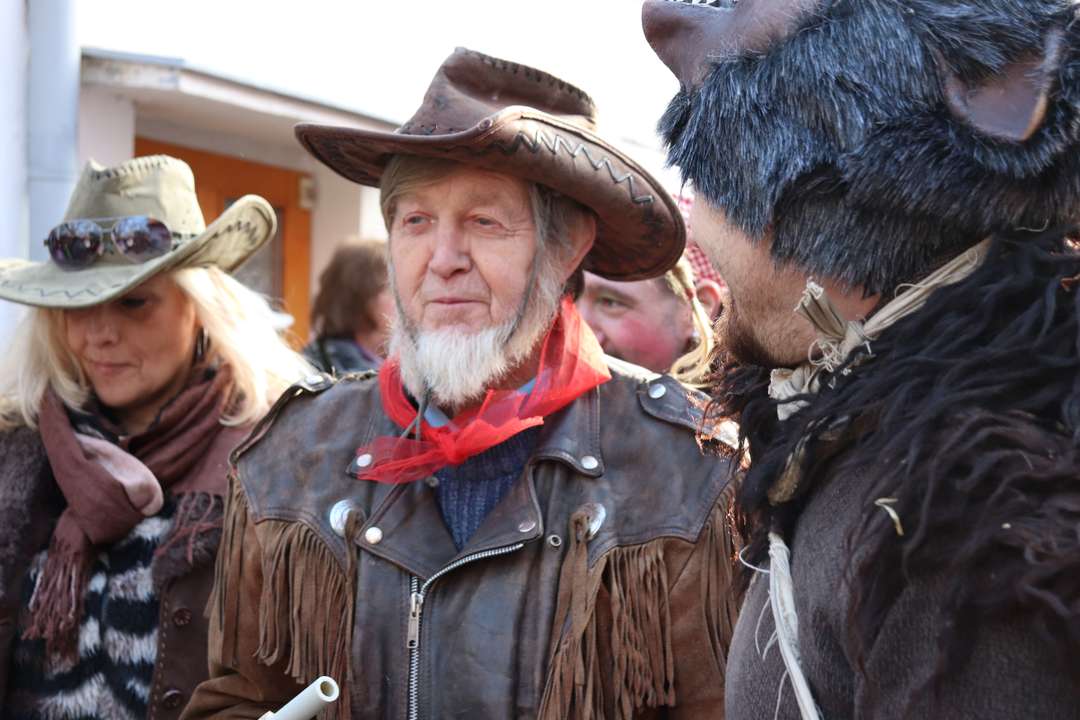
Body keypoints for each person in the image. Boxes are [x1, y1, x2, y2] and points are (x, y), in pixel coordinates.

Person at [184, 48, 739, 720]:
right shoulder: (293, 454)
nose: (443, 260)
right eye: (415, 221)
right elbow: (239, 699)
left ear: (566, 248)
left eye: (484, 222)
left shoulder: (687, 468)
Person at [643, 1, 1080, 718]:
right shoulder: (874, 450)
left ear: (826, 213)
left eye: (715, 181)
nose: (700, 227)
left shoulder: (968, 523)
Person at [0, 155, 312, 720]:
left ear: (200, 307)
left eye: (133, 302)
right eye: (78, 305)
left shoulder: (276, 467)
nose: (99, 334)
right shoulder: (15, 452)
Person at [578, 253, 720, 382]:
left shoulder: (727, 400)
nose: (578, 337)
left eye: (610, 303)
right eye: (570, 297)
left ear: (693, 311)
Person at [304, 240, 393, 374]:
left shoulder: (403, 361)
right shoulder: (316, 368)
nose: (402, 298)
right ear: (359, 297)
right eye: (390, 288)